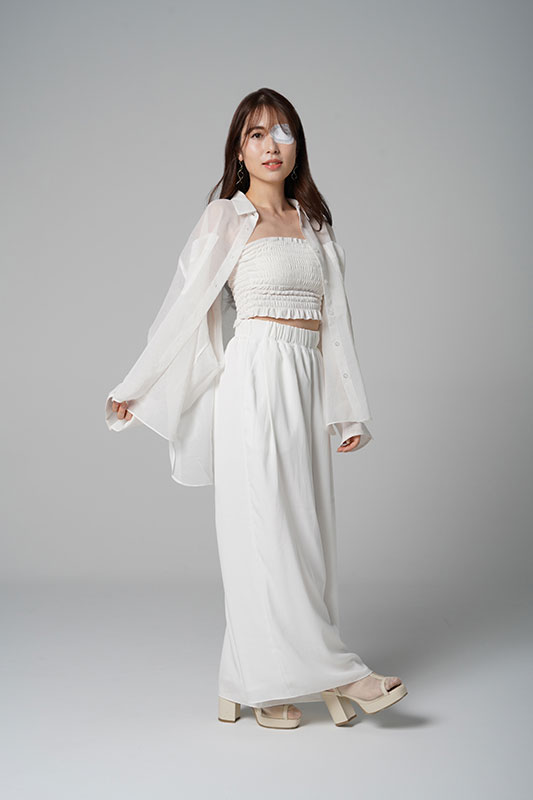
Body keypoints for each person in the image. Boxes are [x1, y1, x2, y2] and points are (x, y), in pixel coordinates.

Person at [107, 88, 407, 729]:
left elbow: (337, 324)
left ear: (298, 146)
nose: (272, 145)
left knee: (307, 534)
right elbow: (184, 309)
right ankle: (337, 674)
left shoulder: (314, 224)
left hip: (304, 380)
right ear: (239, 152)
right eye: (257, 134)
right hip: (254, 379)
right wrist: (137, 382)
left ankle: (256, 676)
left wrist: (349, 411)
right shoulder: (226, 218)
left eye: (284, 132)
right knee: (263, 530)